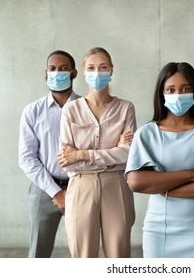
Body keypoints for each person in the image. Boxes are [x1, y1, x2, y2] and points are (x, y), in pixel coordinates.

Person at [125, 62, 194, 258]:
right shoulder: (146, 133)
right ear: (162, 94)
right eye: (171, 89)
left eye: (185, 89)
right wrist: (193, 174)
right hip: (158, 228)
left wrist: (165, 189)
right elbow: (136, 181)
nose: (178, 94)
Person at [57, 47, 136, 258]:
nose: (97, 72)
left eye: (103, 67)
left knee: (119, 257)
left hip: (117, 185)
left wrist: (83, 154)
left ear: (111, 70)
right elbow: (67, 161)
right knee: (83, 257)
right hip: (81, 186)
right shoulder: (71, 110)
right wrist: (113, 152)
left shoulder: (126, 108)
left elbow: (128, 155)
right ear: (83, 71)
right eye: (91, 68)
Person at [18, 50, 79, 258]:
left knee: (83, 251)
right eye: (52, 69)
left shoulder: (86, 107)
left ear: (74, 73)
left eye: (63, 69)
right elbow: (27, 158)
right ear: (46, 73)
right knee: (38, 254)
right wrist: (55, 191)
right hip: (43, 189)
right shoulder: (32, 111)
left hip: (80, 187)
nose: (57, 73)